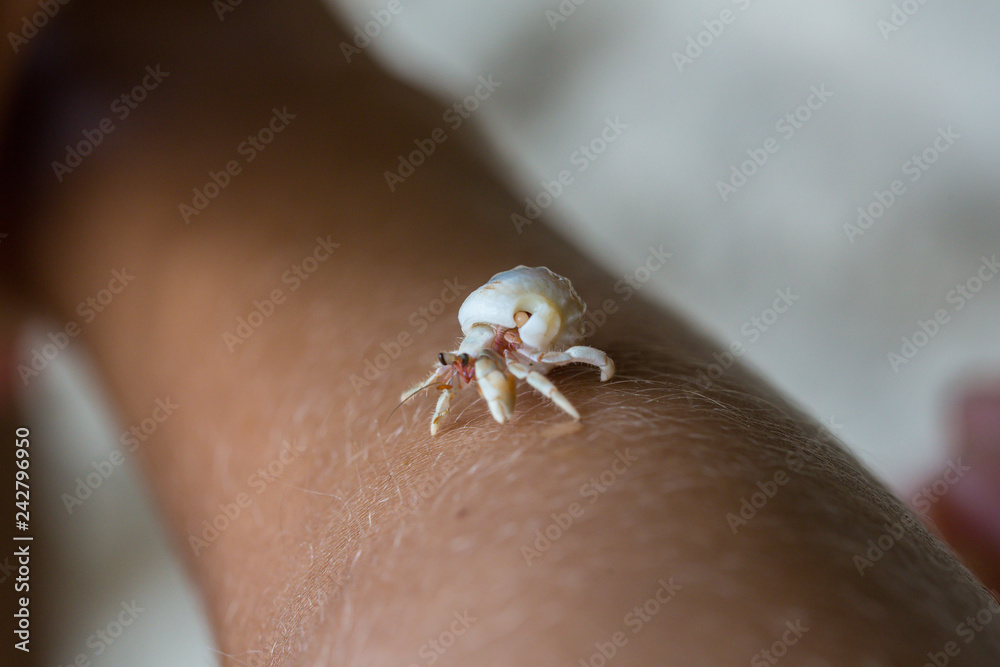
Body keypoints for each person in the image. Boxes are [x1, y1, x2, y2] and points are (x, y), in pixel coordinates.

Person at [1, 1, 998, 664]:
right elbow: (459, 372)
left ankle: (166, 106)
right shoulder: (476, 354)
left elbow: (574, 365)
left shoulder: (532, 350)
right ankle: (205, 98)